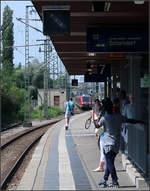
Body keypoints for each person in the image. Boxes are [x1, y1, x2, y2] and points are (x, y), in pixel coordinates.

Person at [98, 98, 144, 188]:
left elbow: (97, 125)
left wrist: (99, 115)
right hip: (116, 144)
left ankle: (115, 181)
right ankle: (104, 179)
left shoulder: (104, 118)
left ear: (104, 108)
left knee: (110, 163)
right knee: (109, 161)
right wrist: (139, 121)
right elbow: (129, 120)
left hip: (108, 144)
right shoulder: (118, 116)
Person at [92, 99, 105, 172]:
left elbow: (97, 126)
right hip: (105, 135)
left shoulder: (104, 117)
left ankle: (101, 167)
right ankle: (102, 166)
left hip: (104, 135)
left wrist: (98, 119)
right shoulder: (110, 115)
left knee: (103, 151)